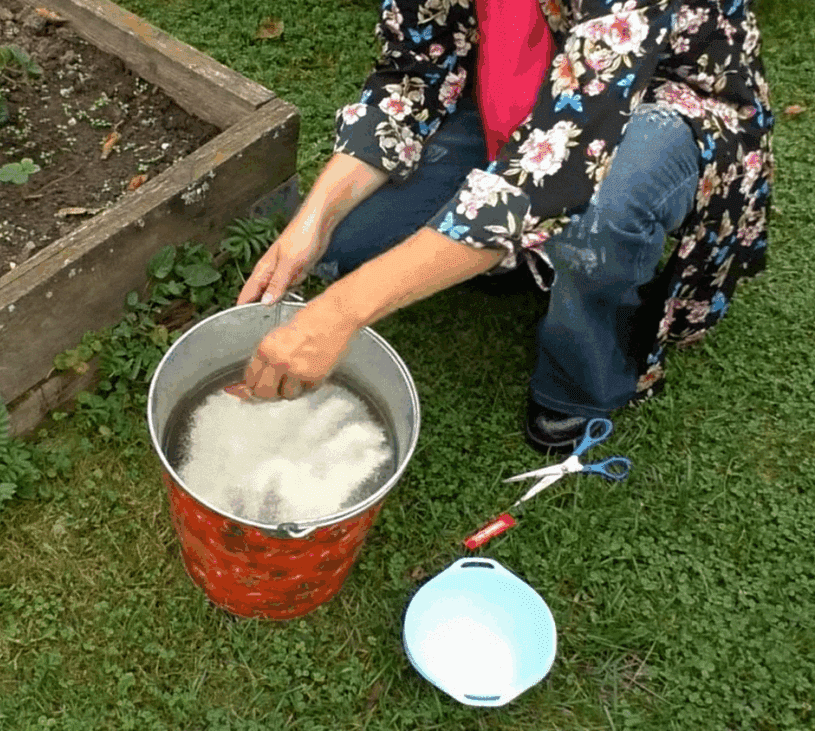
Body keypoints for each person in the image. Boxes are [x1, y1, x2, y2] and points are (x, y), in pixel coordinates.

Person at [236, 0, 775, 453]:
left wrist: (341, 310)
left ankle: (580, 382)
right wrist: (313, 220)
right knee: (350, 237)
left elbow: (552, 176)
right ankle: (507, 257)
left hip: (662, 101)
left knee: (602, 213)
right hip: (523, 83)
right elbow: (411, 76)